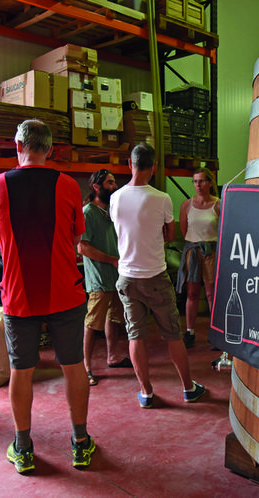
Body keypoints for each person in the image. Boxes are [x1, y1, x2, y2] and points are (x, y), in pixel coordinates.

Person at [0, 119, 95, 474]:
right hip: (65, 291)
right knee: (73, 364)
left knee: (22, 369)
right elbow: (77, 237)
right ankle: (80, 443)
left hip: (19, 295)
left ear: (18, 146)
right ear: (50, 150)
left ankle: (23, 447)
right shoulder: (67, 186)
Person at [110, 142, 207, 409]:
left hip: (127, 277)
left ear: (130, 165)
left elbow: (120, 230)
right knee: (173, 335)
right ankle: (188, 388)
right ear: (153, 167)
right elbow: (171, 235)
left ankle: (147, 392)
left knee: (135, 335)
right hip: (154, 276)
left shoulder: (115, 197)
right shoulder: (161, 198)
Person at [78, 168, 132, 387]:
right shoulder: (87, 213)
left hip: (117, 275)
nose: (114, 186)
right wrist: (111, 260)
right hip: (99, 278)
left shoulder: (112, 210)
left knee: (114, 317)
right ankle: (85, 367)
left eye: (114, 182)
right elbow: (82, 247)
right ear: (96, 187)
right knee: (93, 323)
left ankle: (113, 356)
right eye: (109, 183)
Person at [176, 167, 220, 348]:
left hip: (211, 250)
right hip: (193, 250)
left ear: (210, 182)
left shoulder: (219, 204)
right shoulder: (187, 205)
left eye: (202, 181)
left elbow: (224, 229)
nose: (198, 185)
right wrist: (194, 244)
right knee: (192, 293)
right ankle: (189, 332)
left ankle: (215, 333)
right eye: (195, 181)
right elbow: (184, 230)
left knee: (211, 294)